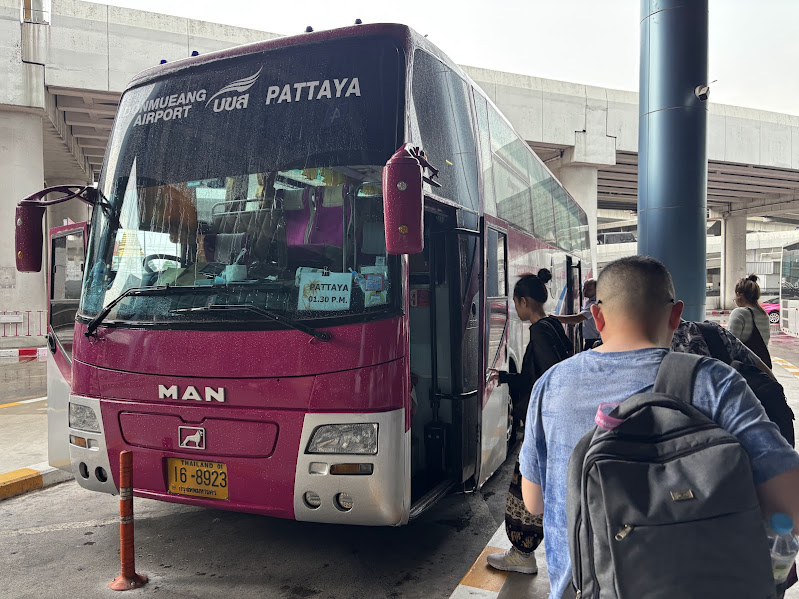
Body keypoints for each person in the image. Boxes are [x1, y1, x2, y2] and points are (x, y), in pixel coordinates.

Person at [519, 256, 799, 599]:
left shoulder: (550, 385)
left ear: (597, 316)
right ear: (676, 314)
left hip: (584, 589)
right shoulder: (715, 381)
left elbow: (534, 502)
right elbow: (790, 505)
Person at [485, 270, 573, 575]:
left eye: (515, 303)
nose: (515, 309)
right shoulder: (553, 325)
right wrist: (507, 377)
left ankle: (522, 554)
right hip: (553, 422)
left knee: (524, 489)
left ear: (524, 301)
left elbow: (547, 377)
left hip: (544, 423)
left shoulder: (539, 332)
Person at [729, 274, 772, 368]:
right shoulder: (764, 314)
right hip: (761, 368)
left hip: (745, 369)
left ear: (739, 294)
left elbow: (730, 345)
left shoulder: (739, 313)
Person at [552, 279, 599, 351]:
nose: (584, 291)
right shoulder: (590, 302)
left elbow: (577, 319)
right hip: (591, 340)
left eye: (589, 289)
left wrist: (554, 318)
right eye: (584, 288)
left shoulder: (595, 304)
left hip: (594, 341)